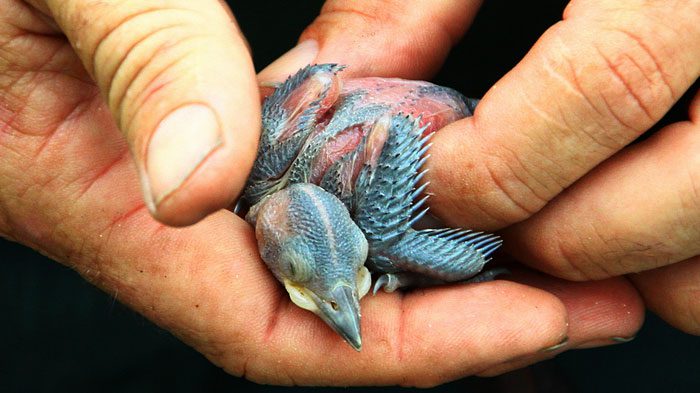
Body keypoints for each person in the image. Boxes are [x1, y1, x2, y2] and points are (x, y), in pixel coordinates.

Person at [0, 0, 697, 386]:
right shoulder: (252, 164)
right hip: (97, 186)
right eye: (320, 277)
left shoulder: (265, 161)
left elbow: (381, 124)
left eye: (333, 276)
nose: (340, 303)